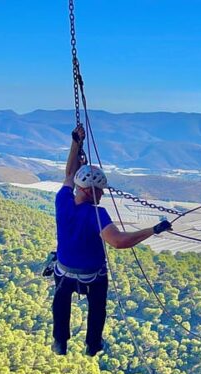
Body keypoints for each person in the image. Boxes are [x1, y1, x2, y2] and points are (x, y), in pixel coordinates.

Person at [52, 124, 172, 356]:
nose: (103, 193)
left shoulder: (62, 200)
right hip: (92, 276)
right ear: (89, 191)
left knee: (61, 302)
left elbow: (69, 175)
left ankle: (60, 341)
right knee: (98, 307)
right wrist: (153, 230)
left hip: (64, 271)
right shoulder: (96, 214)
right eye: (100, 190)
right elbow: (118, 242)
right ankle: (93, 343)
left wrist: (75, 143)